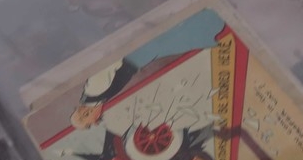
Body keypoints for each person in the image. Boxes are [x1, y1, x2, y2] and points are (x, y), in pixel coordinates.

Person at [70, 8, 226, 130]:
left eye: (90, 122)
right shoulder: (97, 98)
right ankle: (210, 24)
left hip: (134, 55)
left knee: (171, 39)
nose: (95, 122)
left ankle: (211, 20)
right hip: (136, 59)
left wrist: (129, 49)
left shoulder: (94, 90)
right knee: (171, 41)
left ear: (86, 114)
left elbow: (110, 61)